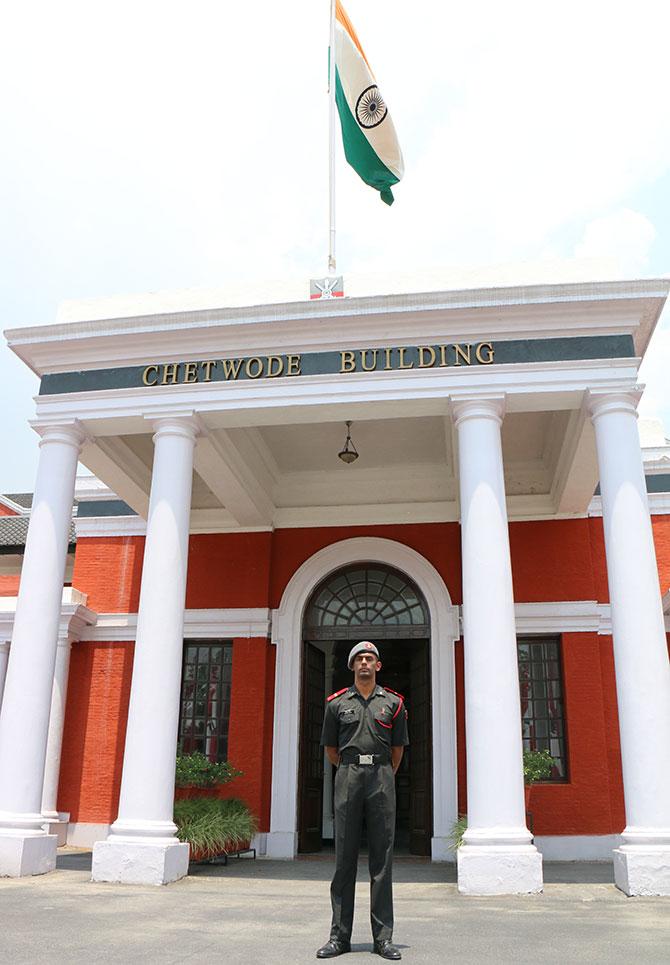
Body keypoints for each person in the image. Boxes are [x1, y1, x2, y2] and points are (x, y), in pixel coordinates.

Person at [316, 641, 409, 961]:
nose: (365, 663)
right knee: (344, 859)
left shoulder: (393, 703)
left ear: (378, 666)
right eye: (359, 659)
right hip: (349, 776)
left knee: (381, 861)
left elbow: (398, 750)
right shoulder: (337, 704)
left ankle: (383, 938)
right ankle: (339, 937)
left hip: (382, 777)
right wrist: (351, 770)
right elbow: (331, 749)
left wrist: (381, 772)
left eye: (370, 659)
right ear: (352, 666)